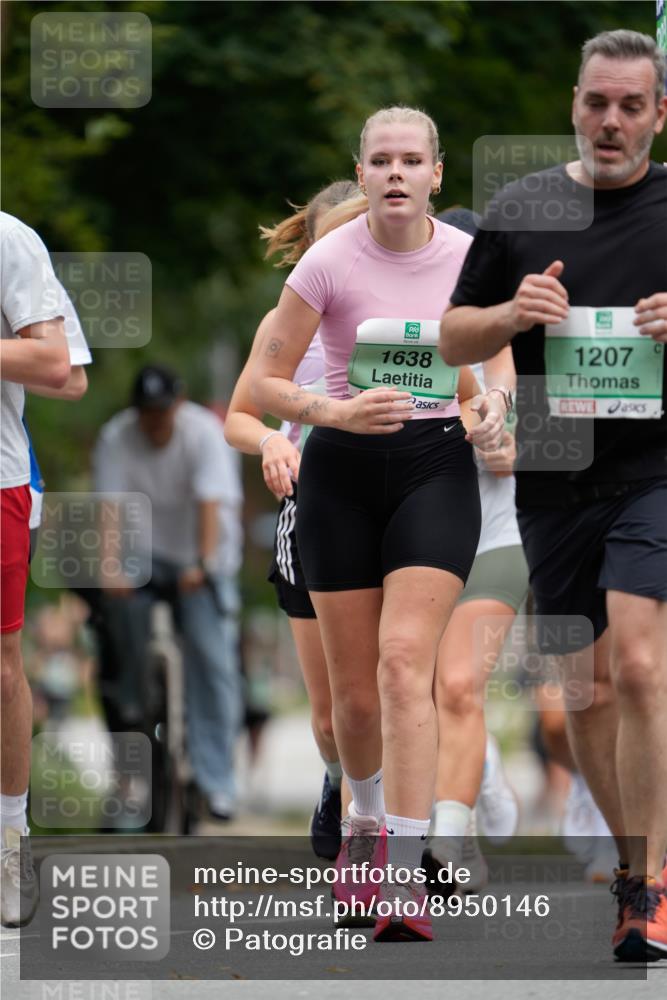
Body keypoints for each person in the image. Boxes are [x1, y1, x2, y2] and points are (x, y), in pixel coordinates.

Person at [253, 106, 508, 943]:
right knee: (353, 700)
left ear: (437, 175)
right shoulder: (327, 262)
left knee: (406, 666)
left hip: (434, 468)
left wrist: (492, 407)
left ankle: (403, 876)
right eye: (380, 161)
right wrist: (333, 409)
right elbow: (263, 381)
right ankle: (362, 817)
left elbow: (496, 357)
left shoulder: (470, 260)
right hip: (339, 473)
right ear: (359, 174)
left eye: (411, 161)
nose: (395, 174)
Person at [440, 30, 667, 962]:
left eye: (630, 105)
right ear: (573, 103)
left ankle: (654, 884)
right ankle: (627, 874)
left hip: (656, 470)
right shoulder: (522, 206)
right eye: (595, 103)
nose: (609, 121)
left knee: (643, 661)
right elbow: (454, 336)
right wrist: (511, 312)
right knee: (585, 684)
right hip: (553, 478)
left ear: (659, 114)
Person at [224, 180, 362, 861]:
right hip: (308, 514)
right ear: (310, 246)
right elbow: (238, 417)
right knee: (334, 710)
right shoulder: (284, 325)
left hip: (396, 509)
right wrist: (272, 440)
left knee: (394, 684)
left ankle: (394, 831)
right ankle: (337, 778)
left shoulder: (405, 311)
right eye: (330, 236)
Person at [93, 365, 244, 822]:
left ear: (178, 405)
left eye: (161, 412)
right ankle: (129, 776)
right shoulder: (116, 437)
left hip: (201, 556)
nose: (154, 422)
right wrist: (110, 569)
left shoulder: (203, 433)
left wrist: (201, 564)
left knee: (211, 658)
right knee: (116, 650)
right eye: (145, 413)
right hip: (143, 557)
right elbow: (109, 512)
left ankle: (217, 782)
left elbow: (210, 505)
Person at [0, 210, 72, 927]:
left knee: (1, 669)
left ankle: (10, 839)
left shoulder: (6, 238)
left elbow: (54, 364)